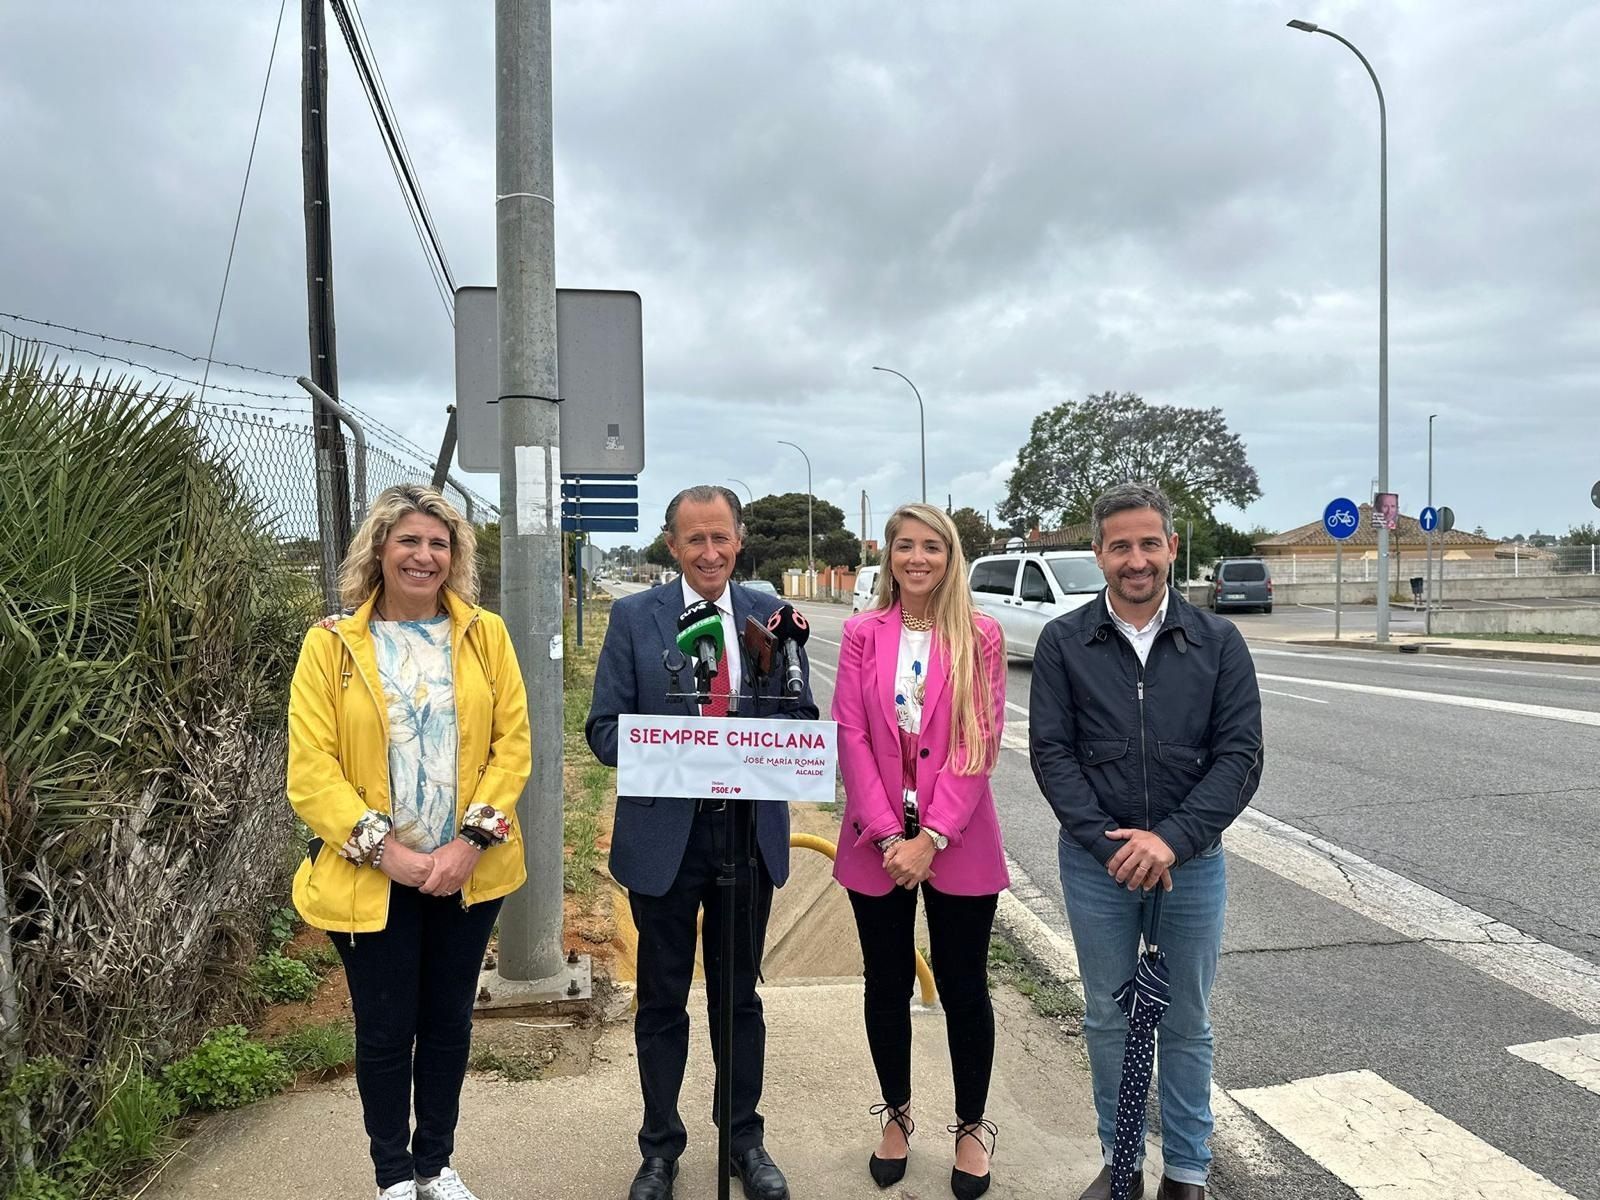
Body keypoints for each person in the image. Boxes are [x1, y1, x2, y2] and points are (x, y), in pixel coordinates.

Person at [288, 485, 531, 1200]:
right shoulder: (330, 644)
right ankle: (393, 1175)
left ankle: (437, 1165)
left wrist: (467, 845)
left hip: (467, 872)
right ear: (380, 552)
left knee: (449, 1023)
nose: (424, 555)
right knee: (387, 1030)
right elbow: (311, 770)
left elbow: (513, 745)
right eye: (409, 542)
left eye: (438, 543)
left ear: (453, 558)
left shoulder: (485, 633)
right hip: (372, 876)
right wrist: (387, 852)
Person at [1029, 482, 1263, 1200]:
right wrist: (1112, 846)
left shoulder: (1219, 642)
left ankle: (1187, 1170)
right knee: (1106, 1013)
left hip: (1190, 865)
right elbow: (1052, 756)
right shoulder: (1064, 641)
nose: (1137, 560)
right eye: (1121, 545)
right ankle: (1121, 1157)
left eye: (1149, 543)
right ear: (1099, 553)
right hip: (1098, 867)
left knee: (1186, 1020)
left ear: (1170, 548)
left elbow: (1240, 758)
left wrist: (1170, 841)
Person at [586, 485, 817, 1200]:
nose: (709, 552)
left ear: (739, 540)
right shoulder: (634, 619)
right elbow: (601, 731)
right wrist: (681, 746)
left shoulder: (773, 619)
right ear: (671, 545)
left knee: (737, 999)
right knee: (660, 999)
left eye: (721, 538)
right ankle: (660, 1148)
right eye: (695, 540)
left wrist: (753, 742)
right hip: (665, 835)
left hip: (747, 834)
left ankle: (744, 1140)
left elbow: (803, 717)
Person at [832, 504, 1009, 1200]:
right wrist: (886, 834)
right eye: (905, 546)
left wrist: (931, 837)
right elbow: (850, 734)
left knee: (965, 987)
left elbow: (978, 743)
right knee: (886, 984)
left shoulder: (982, 637)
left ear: (949, 556)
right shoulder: (860, 634)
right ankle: (897, 1117)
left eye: (931, 547)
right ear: (890, 557)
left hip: (955, 840)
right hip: (876, 841)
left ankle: (970, 1128)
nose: (917, 558)